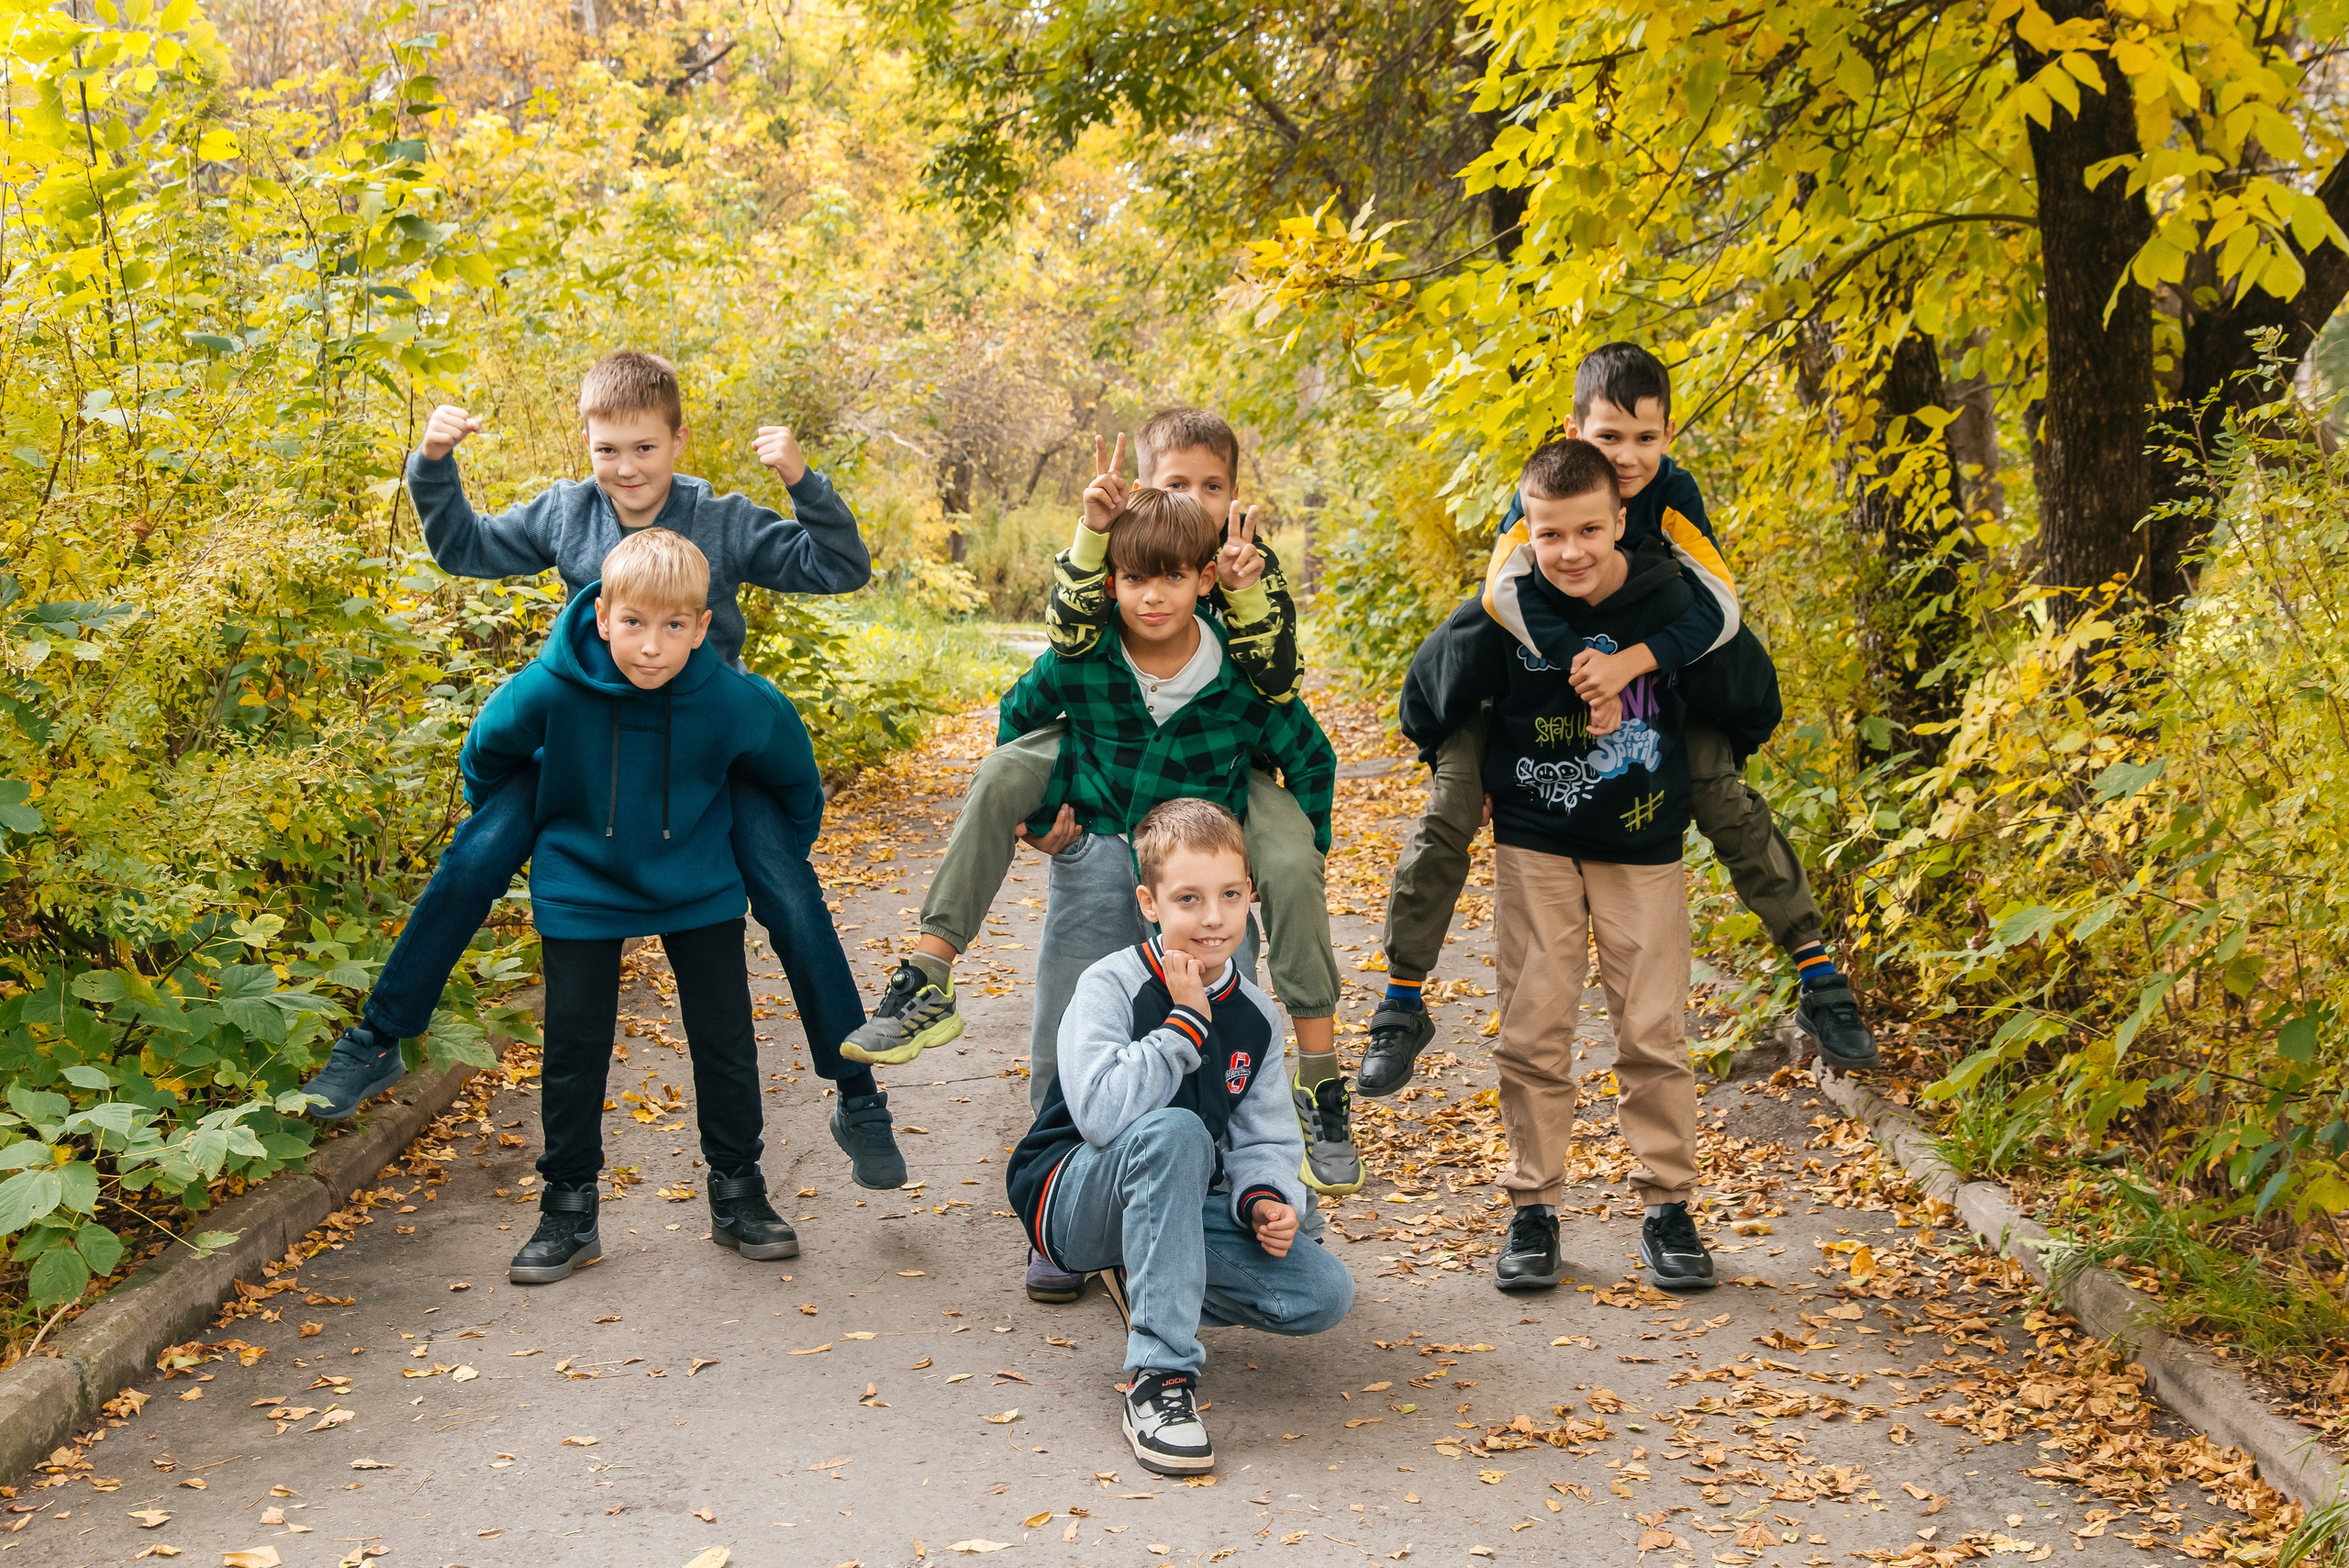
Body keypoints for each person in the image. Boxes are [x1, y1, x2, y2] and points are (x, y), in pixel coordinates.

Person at [299, 351, 909, 1194]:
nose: (627, 469)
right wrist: (433, 467)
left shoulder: (722, 520)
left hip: (706, 742)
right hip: (585, 743)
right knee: (476, 853)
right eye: (608, 450)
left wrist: (804, 481)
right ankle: (377, 1038)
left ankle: (855, 1087)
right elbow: (467, 548)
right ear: (586, 444)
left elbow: (838, 567)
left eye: (645, 449)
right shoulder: (565, 512)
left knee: (788, 888)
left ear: (678, 440)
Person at [845, 415, 1356, 1301]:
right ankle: (1054, 1200)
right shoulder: (1086, 653)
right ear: (1115, 565)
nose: (1152, 596)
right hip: (1104, 835)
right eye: (1132, 577)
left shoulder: (1240, 654)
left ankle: (1244, 1181)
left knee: (1219, 1029)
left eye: (1172, 575)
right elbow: (1019, 722)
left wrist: (1274, 865)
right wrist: (1045, 822)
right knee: (1071, 1021)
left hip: (1198, 863)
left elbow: (1305, 745)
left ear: (1209, 561)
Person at [1364, 343, 1877, 1095]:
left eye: (1646, 437)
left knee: (1721, 792)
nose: (1629, 456)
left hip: (1645, 674)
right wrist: (1584, 665)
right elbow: (1506, 594)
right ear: (1575, 431)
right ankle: (1402, 999)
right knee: (1449, 806)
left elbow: (1720, 605)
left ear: (1669, 435)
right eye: (1609, 437)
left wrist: (1626, 666)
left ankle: (1818, 974)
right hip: (1528, 675)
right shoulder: (1543, 487)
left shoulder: (1673, 494)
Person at [1399, 438, 1716, 1295]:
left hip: (1642, 846)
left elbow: (1735, 680)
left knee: (1651, 1031)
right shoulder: (1506, 610)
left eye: (1587, 530)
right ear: (1523, 533)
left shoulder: (1666, 599)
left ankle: (1667, 1205)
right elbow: (1431, 685)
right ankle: (1532, 1206)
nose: (1570, 551)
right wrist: (1460, 770)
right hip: (1535, 840)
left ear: (1620, 520)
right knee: (1535, 1028)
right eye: (1550, 534)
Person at [459, 531, 815, 1283]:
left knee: (724, 1037)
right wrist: (530, 819)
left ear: (702, 627)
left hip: (697, 877)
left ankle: (738, 1192)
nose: (652, 647)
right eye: (634, 624)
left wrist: (763, 852)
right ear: (602, 618)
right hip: (582, 878)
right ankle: (567, 1209)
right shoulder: (554, 686)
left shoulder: (732, 699)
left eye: (673, 626)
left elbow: (793, 781)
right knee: (574, 1046)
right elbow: (487, 754)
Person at [1006, 798, 1355, 1474]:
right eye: (1188, 898)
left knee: (1322, 1290)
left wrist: (1262, 1197)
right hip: (1072, 1197)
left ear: (1251, 893)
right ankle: (1159, 1379)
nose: (1213, 916)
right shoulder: (1109, 986)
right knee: (1176, 1129)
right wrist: (1183, 1028)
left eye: (1229, 894)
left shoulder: (1255, 1014)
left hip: (1175, 1198)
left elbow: (1266, 1139)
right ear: (1149, 901)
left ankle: (1149, 1274)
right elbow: (1103, 1116)